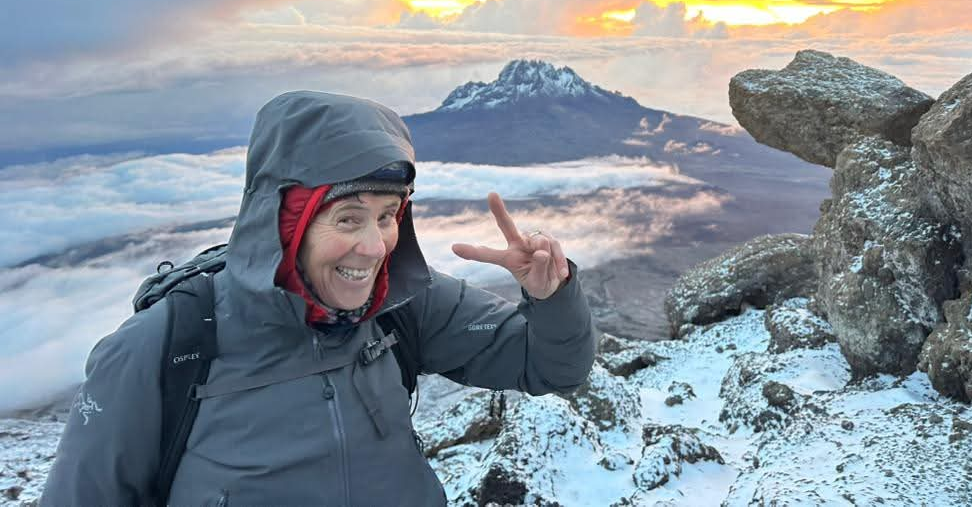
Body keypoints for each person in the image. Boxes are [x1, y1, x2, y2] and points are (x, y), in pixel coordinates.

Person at [42, 90, 596, 506]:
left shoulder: (401, 306)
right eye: (348, 218)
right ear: (284, 223)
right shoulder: (163, 347)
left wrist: (553, 296)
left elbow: (550, 366)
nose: (374, 246)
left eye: (387, 216)